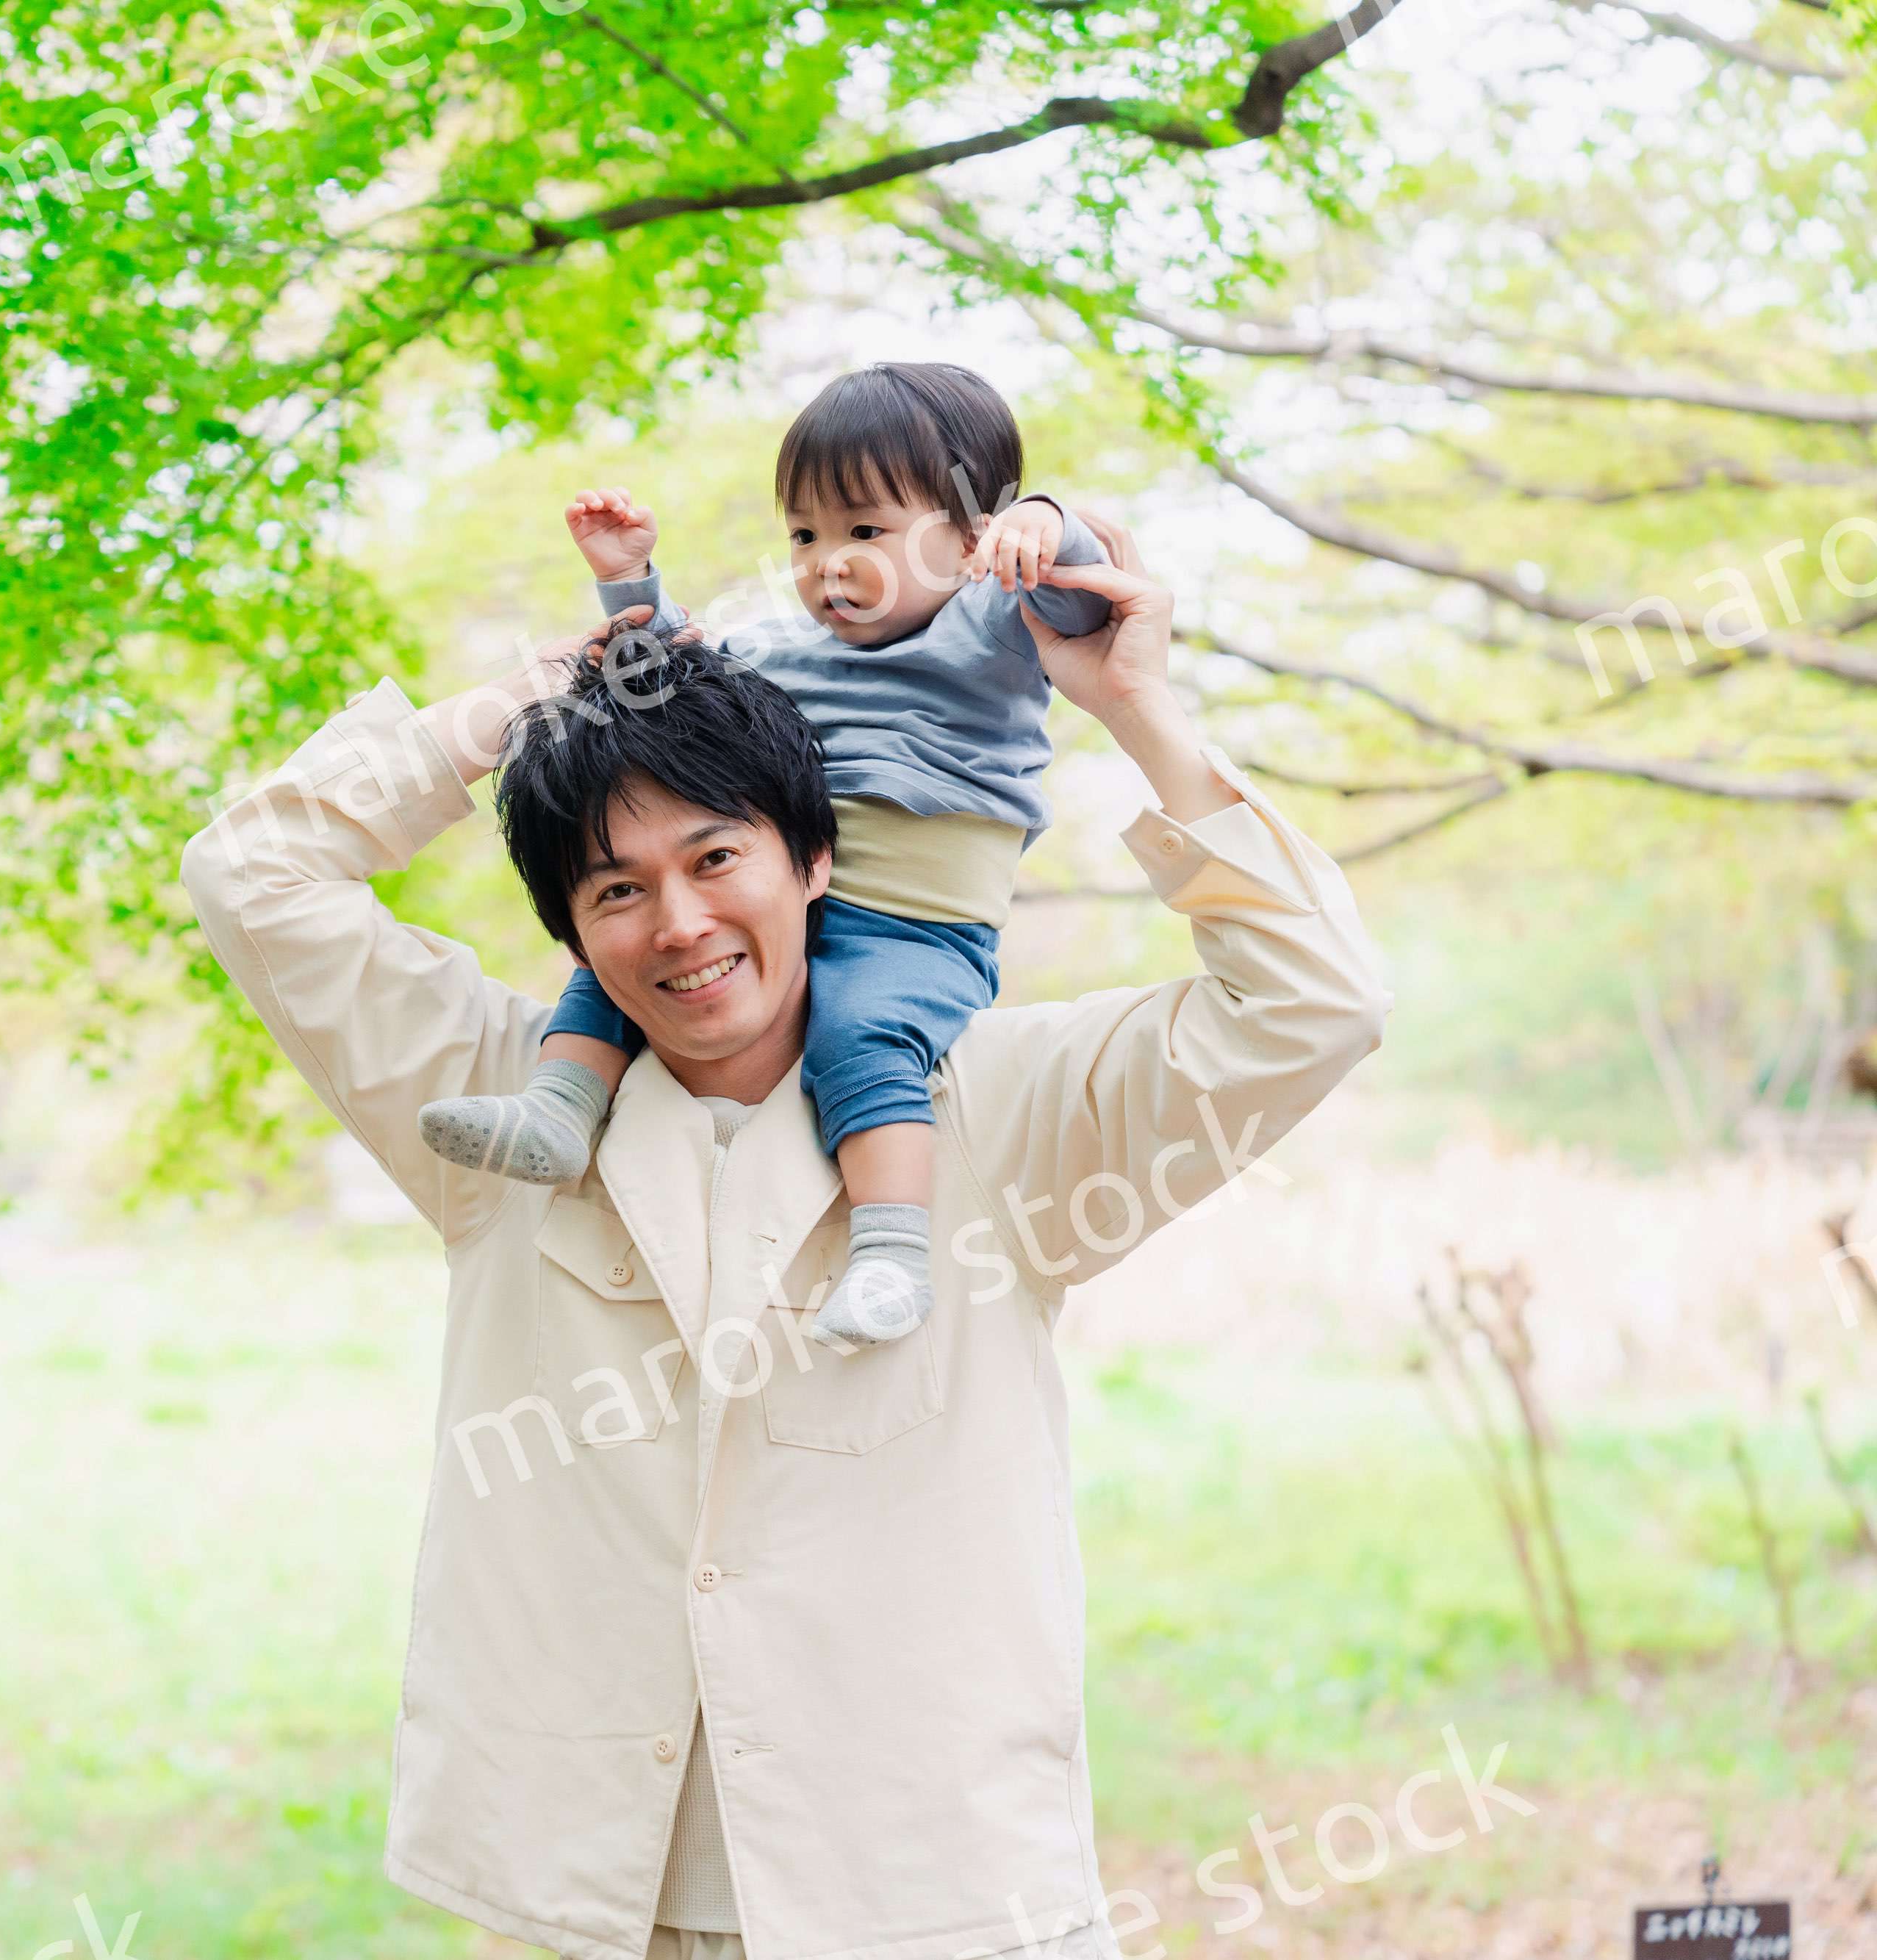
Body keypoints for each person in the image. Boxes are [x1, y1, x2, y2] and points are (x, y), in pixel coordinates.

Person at [180, 523, 1389, 1960]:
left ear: (811, 858)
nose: (678, 925)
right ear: (570, 926)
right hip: (595, 1895)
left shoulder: (994, 1106)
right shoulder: (497, 1106)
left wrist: (1133, 706)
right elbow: (253, 874)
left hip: (930, 1891)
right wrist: (526, 699)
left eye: (714, 857)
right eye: (615, 888)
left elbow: (1313, 1004)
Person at [420, 363, 1113, 1348]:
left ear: (969, 536)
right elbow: (667, 674)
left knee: (862, 1037)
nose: (829, 561)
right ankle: (560, 1107)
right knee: (617, 962)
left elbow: (1086, 600)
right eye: (805, 535)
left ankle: (892, 1252)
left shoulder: (994, 623)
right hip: (794, 903)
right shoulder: (787, 650)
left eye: (865, 531)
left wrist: (1048, 521)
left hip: (915, 927)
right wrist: (627, 580)